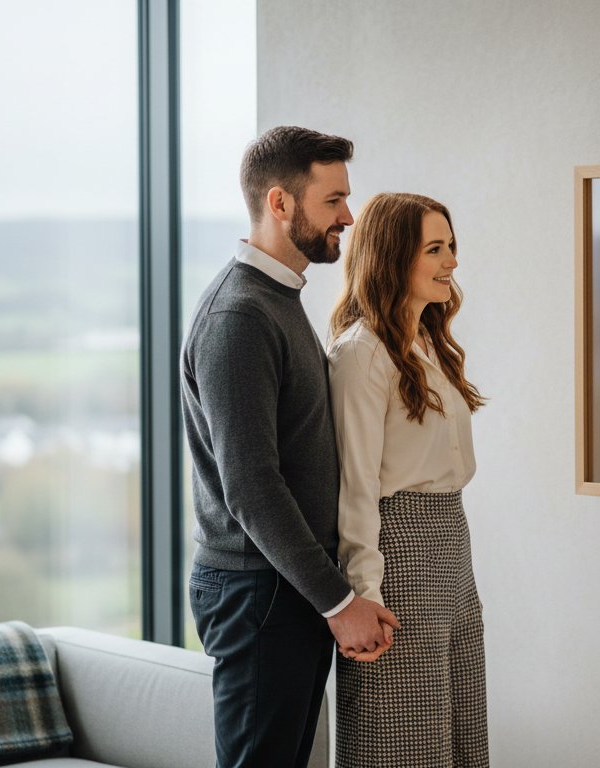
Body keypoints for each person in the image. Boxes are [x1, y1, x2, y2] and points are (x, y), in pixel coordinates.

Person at [181, 126, 399, 768]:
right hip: (259, 593)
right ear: (280, 203)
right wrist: (337, 600)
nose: (349, 217)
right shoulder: (239, 316)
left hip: (284, 589)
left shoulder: (278, 298)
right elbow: (250, 487)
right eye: (333, 201)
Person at [327, 192, 489, 766]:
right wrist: (362, 594)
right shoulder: (360, 355)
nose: (451, 262)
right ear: (395, 257)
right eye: (436, 249)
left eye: (452, 247)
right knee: (401, 739)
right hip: (401, 552)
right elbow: (356, 487)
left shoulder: (428, 343)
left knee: (462, 727)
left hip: (451, 544)